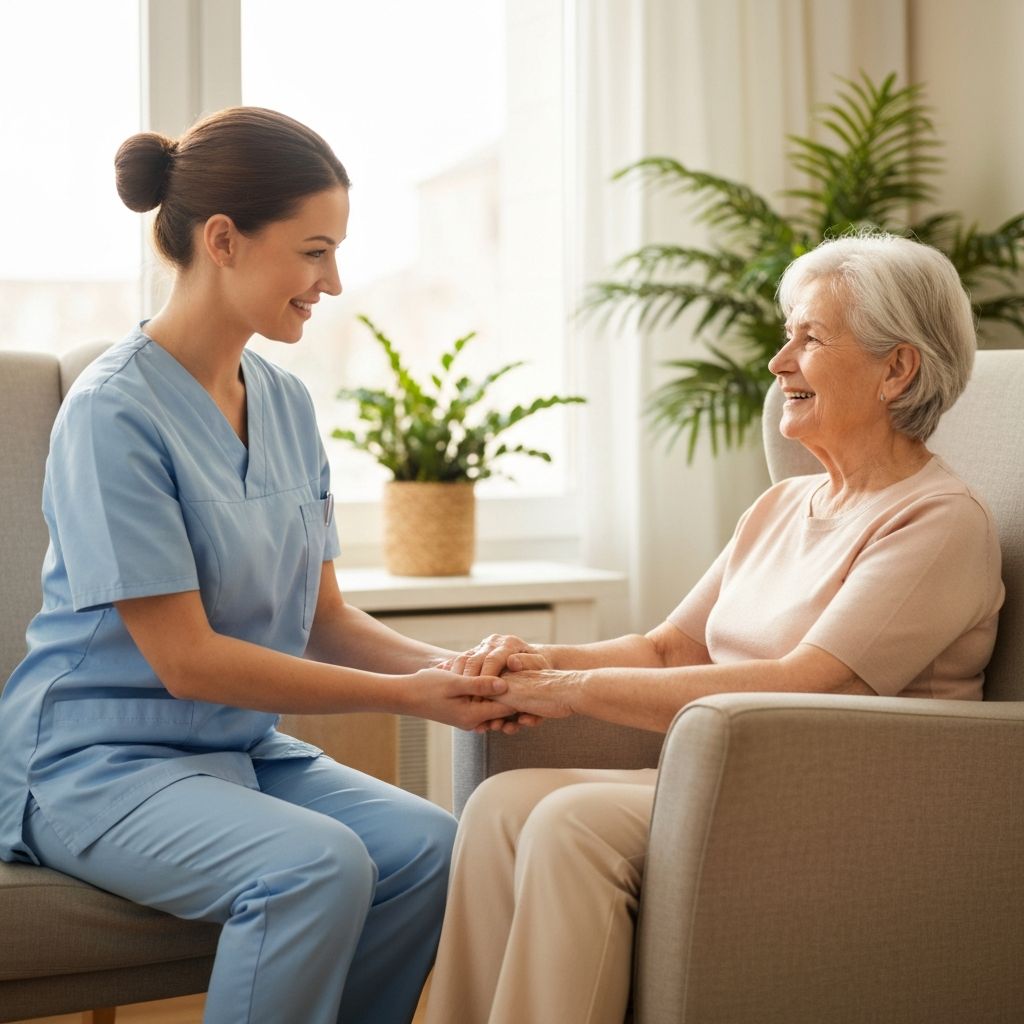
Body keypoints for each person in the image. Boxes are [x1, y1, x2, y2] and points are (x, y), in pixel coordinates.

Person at [0, 107, 516, 1024]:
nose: (335, 281)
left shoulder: (284, 403)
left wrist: (456, 672)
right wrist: (409, 702)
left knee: (429, 845)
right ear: (224, 240)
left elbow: (328, 620)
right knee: (311, 867)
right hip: (95, 764)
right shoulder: (111, 413)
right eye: (314, 251)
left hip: (235, 749)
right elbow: (187, 661)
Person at [424, 232, 1006, 1024]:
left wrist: (573, 690)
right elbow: (669, 647)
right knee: (501, 805)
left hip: (847, 795)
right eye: (786, 335)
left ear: (896, 369)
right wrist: (536, 661)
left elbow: (812, 684)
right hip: (723, 776)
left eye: (810, 338)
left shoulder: (937, 522)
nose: (779, 362)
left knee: (570, 823)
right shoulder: (782, 504)